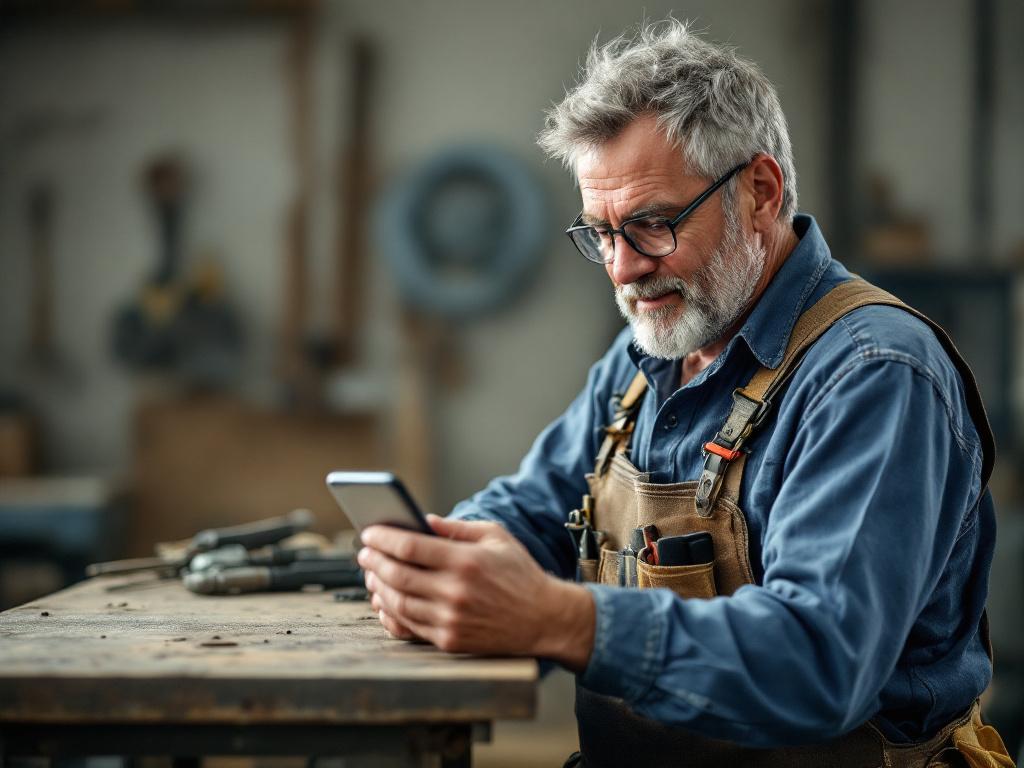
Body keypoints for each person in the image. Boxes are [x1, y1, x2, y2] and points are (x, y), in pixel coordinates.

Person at [356, 19, 1013, 767]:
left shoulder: (876, 377)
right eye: (601, 233)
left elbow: (819, 662)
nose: (623, 268)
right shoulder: (647, 358)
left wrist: (565, 622)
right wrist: (442, 562)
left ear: (760, 192)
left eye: (653, 224)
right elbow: (533, 510)